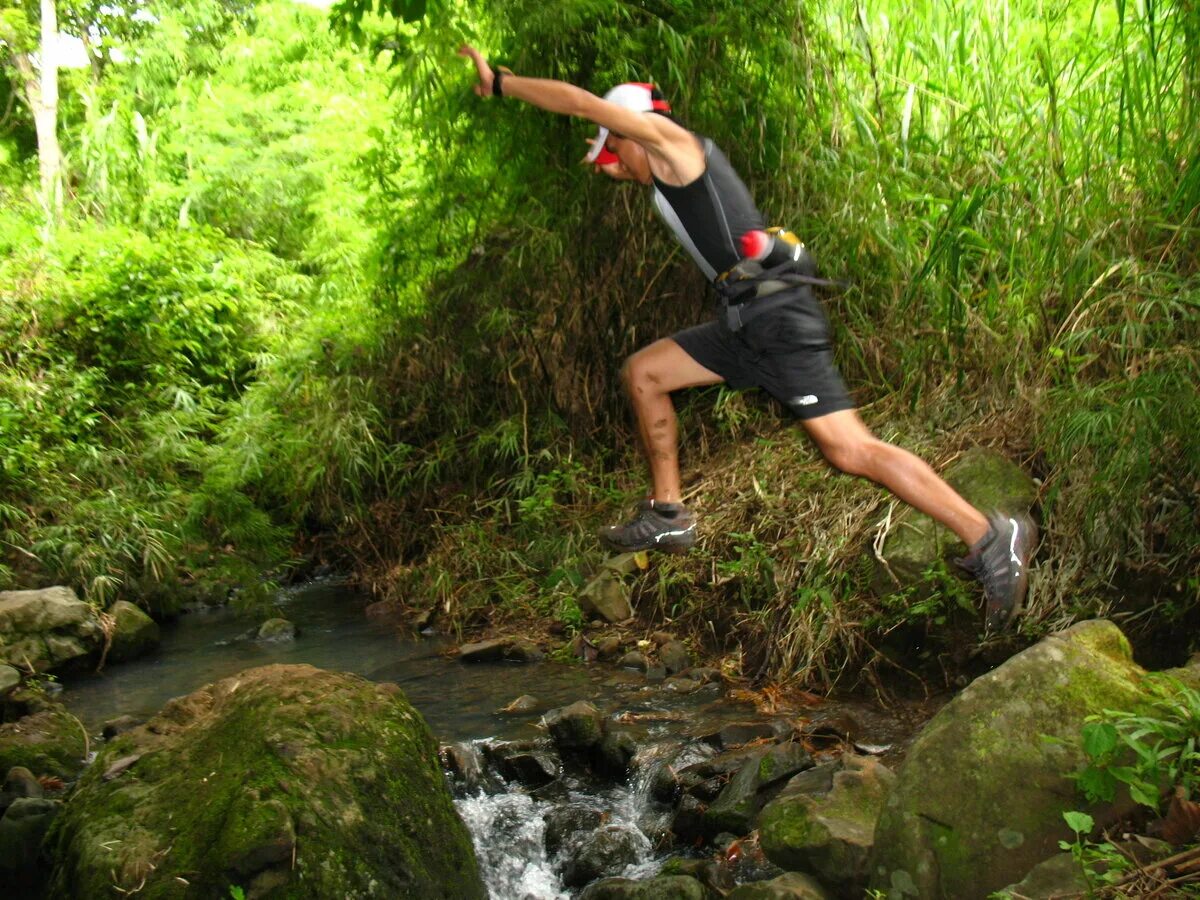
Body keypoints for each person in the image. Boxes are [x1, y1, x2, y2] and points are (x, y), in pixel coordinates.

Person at [457, 46, 1035, 629]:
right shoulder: (659, 169)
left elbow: (582, 105)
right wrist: (605, 153)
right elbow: (610, 162)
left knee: (850, 449)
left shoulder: (674, 145)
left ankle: (990, 536)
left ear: (630, 129)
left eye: (612, 145)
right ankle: (668, 514)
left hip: (777, 314)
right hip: (743, 320)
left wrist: (503, 84)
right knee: (646, 373)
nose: (610, 165)